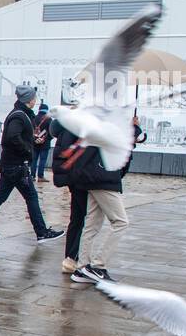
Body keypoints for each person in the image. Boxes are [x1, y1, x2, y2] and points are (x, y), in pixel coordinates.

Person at [0, 85, 64, 243]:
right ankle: (41, 232)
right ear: (30, 100)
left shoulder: (21, 114)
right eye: (34, 98)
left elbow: (16, 136)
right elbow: (12, 137)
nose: (35, 101)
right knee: (31, 197)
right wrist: (28, 151)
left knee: (0, 197)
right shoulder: (19, 116)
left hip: (11, 165)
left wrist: (32, 140)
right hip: (16, 166)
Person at [50, 120, 130, 284]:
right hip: (102, 177)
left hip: (92, 177)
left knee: (92, 224)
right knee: (121, 222)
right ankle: (98, 266)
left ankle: (82, 267)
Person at [31, 102, 53, 181]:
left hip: (35, 142)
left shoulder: (34, 118)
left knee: (34, 159)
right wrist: (46, 139)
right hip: (45, 143)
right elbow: (51, 132)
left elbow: (30, 131)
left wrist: (34, 139)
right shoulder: (49, 119)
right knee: (42, 160)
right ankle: (40, 176)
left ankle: (32, 176)